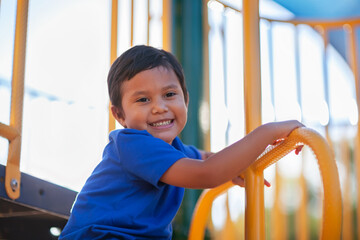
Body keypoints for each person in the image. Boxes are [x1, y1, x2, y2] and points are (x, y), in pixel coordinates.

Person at [59, 45, 304, 239]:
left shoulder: (175, 150)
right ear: (120, 115)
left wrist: (237, 167)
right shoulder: (132, 145)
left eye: (169, 94)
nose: (159, 107)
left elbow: (207, 158)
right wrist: (268, 132)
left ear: (185, 99)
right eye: (143, 100)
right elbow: (207, 173)